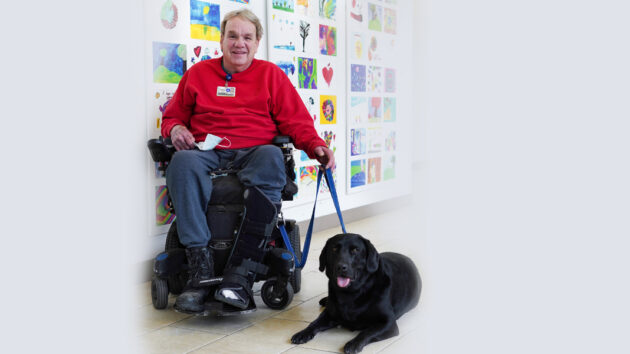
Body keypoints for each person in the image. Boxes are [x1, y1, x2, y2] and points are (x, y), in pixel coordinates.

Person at [161, 9, 335, 314]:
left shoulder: (271, 76)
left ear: (257, 44)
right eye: (232, 35)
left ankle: (240, 273)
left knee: (271, 156)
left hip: (255, 150)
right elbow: (173, 115)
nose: (239, 43)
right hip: (207, 151)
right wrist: (176, 128)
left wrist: (316, 146)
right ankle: (200, 270)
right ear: (222, 39)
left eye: (247, 37)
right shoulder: (198, 75)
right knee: (182, 163)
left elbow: (297, 122)